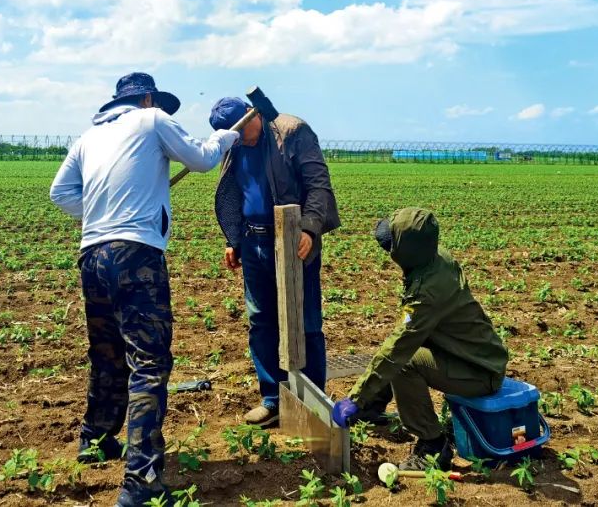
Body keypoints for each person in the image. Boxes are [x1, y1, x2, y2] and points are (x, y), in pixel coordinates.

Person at [50, 73, 239, 507]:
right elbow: (202, 159)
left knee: (107, 352)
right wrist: (225, 137)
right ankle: (142, 481)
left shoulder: (88, 138)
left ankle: (95, 440)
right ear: (148, 98)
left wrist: (102, 209)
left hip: (92, 255)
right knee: (149, 362)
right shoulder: (152, 120)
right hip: (136, 254)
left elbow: (60, 193)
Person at [331, 208, 508, 471]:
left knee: (403, 361)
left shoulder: (428, 292)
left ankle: (433, 446)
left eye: (393, 244)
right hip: (469, 353)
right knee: (400, 346)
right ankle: (373, 407)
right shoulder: (434, 258)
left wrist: (356, 398)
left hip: (479, 370)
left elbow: (398, 349)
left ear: (408, 251)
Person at [208, 96, 342, 429]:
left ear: (254, 115)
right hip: (253, 242)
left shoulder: (292, 131)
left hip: (293, 240)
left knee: (305, 322)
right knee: (261, 321)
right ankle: (273, 398)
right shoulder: (233, 142)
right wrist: (233, 240)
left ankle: (311, 400)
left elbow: (317, 185)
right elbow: (234, 191)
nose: (239, 137)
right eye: (231, 134)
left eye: (241, 129)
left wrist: (309, 228)